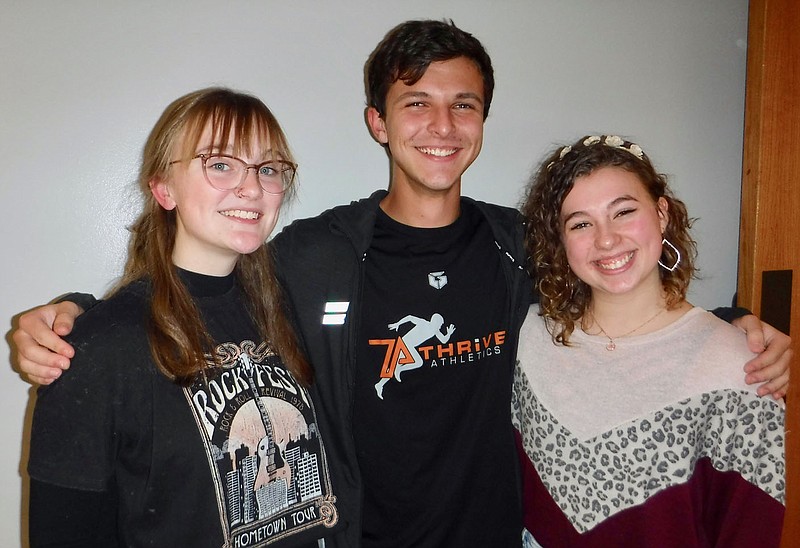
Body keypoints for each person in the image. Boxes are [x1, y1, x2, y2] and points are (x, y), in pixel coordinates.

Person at [13, 20, 792, 547]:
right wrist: (79, 314)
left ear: (484, 120)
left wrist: (733, 322)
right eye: (415, 103)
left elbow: (618, 297)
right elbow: (201, 289)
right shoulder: (315, 253)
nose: (441, 126)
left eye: (464, 105)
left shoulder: (520, 246)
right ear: (377, 122)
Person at [26, 88, 344, 547]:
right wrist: (79, 315)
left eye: (268, 168)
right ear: (163, 189)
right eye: (220, 164)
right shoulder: (95, 350)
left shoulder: (292, 307)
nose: (252, 187)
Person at [513, 135, 785, 546]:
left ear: (662, 213)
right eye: (581, 223)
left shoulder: (740, 370)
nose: (606, 240)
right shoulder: (527, 340)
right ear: (560, 240)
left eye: (623, 212)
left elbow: (752, 528)